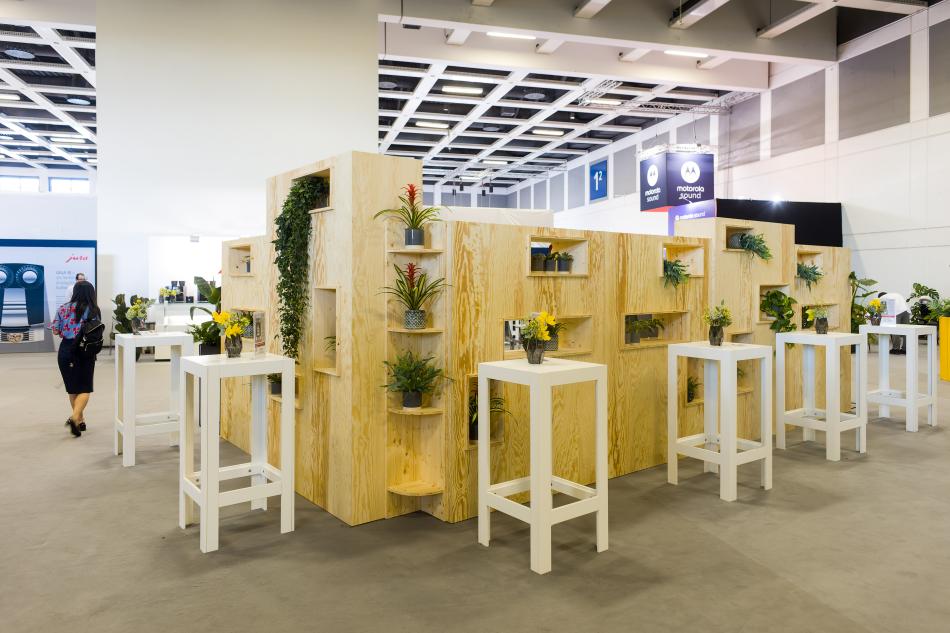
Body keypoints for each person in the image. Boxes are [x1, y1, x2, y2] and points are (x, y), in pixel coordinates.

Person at [51, 280, 100, 437]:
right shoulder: (93, 310)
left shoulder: (63, 308)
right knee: (85, 388)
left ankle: (80, 421)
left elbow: (55, 331)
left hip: (66, 350)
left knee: (72, 388)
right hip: (85, 350)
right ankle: (75, 418)